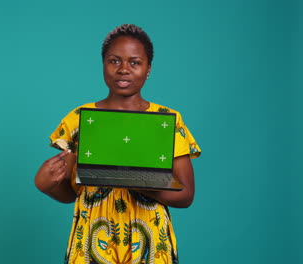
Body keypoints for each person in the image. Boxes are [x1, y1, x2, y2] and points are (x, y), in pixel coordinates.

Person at [35, 24, 201, 264]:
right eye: (114, 61)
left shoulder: (169, 121)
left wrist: (141, 183)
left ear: (148, 69)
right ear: (103, 65)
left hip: (150, 241)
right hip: (92, 237)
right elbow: (71, 193)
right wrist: (47, 185)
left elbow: (186, 195)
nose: (124, 69)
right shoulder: (79, 119)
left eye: (135, 62)